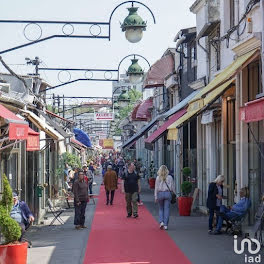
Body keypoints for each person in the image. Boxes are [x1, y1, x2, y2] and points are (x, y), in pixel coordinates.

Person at [154, 165, 174, 230]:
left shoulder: (158, 178)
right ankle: (166, 225)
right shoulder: (170, 177)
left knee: (161, 208)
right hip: (168, 193)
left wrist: (155, 197)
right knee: (167, 209)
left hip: (160, 193)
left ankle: (161, 222)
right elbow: (172, 187)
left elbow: (156, 188)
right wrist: (174, 193)